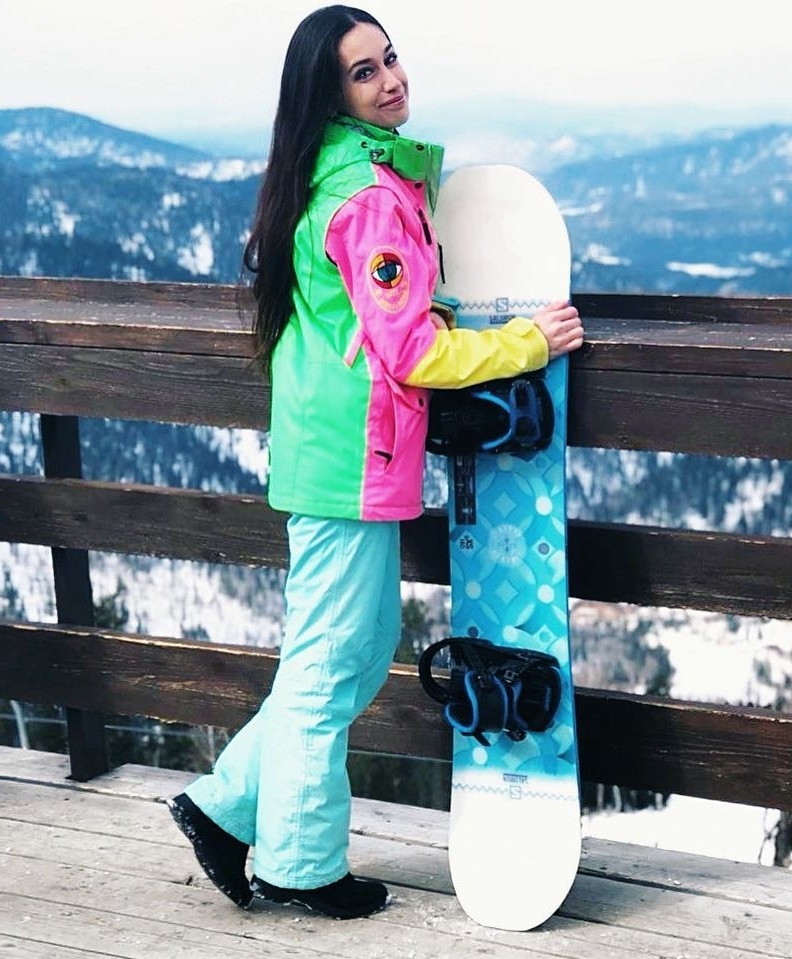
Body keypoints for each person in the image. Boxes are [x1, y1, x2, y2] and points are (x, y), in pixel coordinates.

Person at [167, 4, 584, 921]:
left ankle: (226, 805)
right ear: (330, 94)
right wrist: (524, 342)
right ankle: (300, 864)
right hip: (349, 463)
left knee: (348, 658)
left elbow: (373, 325)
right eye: (364, 71)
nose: (390, 79)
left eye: (390, 58)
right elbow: (409, 351)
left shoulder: (337, 174)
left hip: (343, 455)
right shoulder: (367, 197)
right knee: (330, 667)